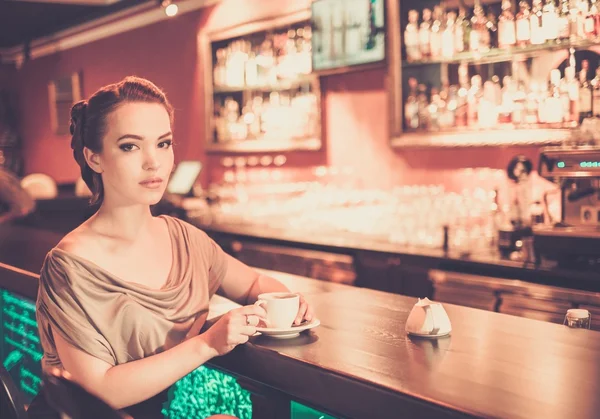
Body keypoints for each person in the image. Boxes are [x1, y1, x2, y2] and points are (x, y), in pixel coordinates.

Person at [28, 76, 314, 419]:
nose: (154, 162)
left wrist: (288, 306)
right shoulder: (69, 265)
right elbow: (97, 389)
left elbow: (253, 284)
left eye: (163, 143)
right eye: (130, 146)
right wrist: (206, 344)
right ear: (95, 158)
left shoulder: (185, 239)